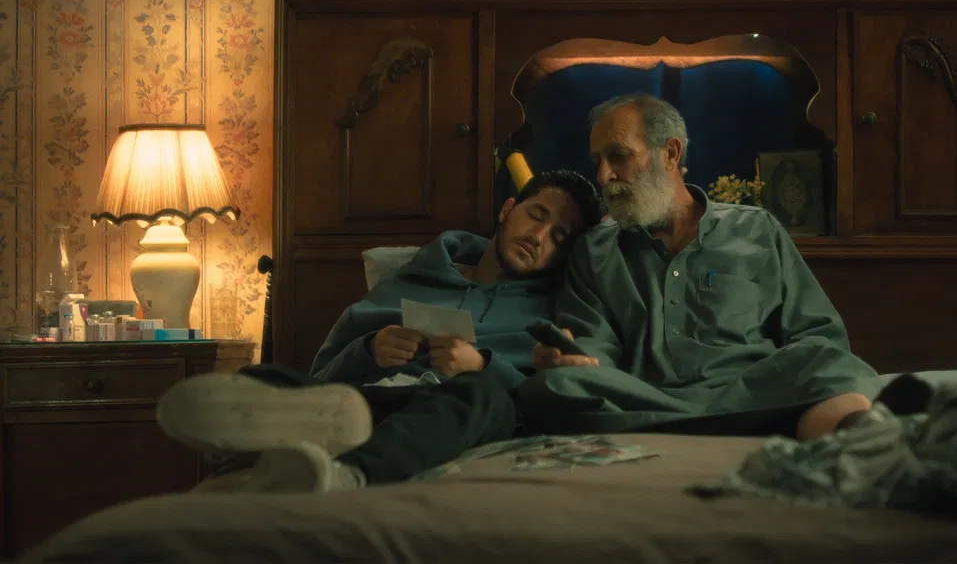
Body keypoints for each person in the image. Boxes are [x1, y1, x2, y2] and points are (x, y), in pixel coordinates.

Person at [156, 169, 604, 493]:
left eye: (559, 236)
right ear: (508, 210)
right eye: (536, 215)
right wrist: (369, 349)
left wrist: (484, 366)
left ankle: (346, 474)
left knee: (481, 393)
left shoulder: (551, 311)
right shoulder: (412, 278)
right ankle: (264, 439)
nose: (539, 236)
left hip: (455, 412)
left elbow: (544, 407)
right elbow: (322, 376)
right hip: (369, 400)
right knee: (265, 378)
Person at [516, 94, 881, 441]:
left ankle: (858, 437)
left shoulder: (756, 229)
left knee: (830, 362)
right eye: (598, 161)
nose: (604, 176)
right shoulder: (596, 250)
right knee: (553, 386)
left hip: (752, 393)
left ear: (670, 153)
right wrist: (572, 358)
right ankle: (752, 426)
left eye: (619, 156)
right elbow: (595, 349)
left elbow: (816, 332)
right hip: (644, 398)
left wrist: (805, 375)